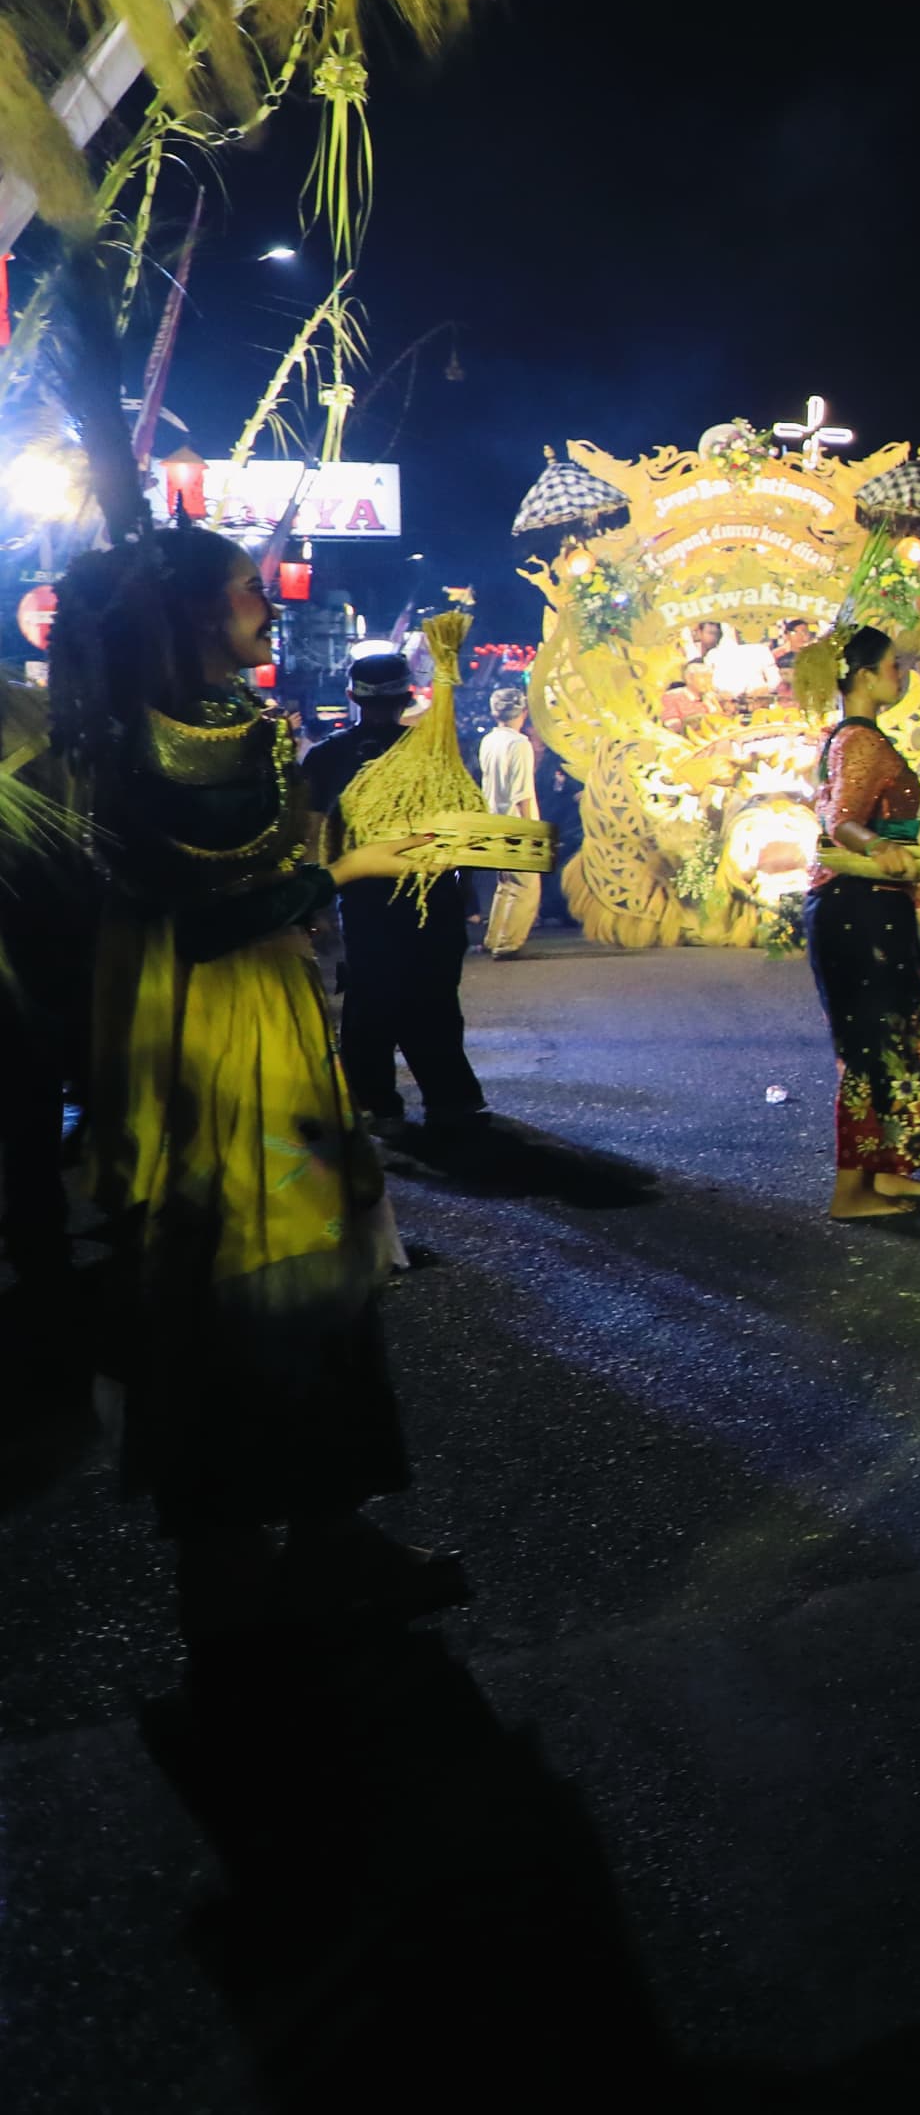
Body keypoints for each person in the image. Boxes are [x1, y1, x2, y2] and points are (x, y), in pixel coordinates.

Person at [56, 526, 460, 1637]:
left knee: (290, 1279)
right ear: (193, 613)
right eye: (249, 590)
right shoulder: (147, 745)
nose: (270, 606)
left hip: (267, 1021)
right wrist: (348, 866)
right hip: (210, 1039)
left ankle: (301, 1541)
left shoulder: (229, 729)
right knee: (251, 1280)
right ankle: (263, 1553)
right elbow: (208, 915)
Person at [806, 626, 920, 1221]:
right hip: (857, 907)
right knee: (871, 1043)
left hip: (871, 905)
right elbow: (841, 822)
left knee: (897, 1034)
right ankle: (851, 1192)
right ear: (863, 676)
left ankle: (885, 1173)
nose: (900, 676)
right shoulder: (858, 741)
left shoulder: (858, 738)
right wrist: (879, 846)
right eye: (893, 666)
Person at [302, 650, 487, 1139]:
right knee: (435, 998)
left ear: (350, 697)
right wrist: (465, 893)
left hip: (364, 899)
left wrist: (318, 904)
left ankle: (375, 1102)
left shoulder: (325, 757)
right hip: (431, 895)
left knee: (368, 999)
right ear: (409, 697)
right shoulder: (435, 753)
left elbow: (314, 837)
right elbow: (464, 832)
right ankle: (450, 1099)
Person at [475, 683, 543, 958]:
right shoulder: (519, 744)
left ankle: (494, 937)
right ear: (523, 712)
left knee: (505, 884)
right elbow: (521, 791)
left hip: (493, 818)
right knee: (525, 885)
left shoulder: (489, 740)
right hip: (516, 821)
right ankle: (508, 943)